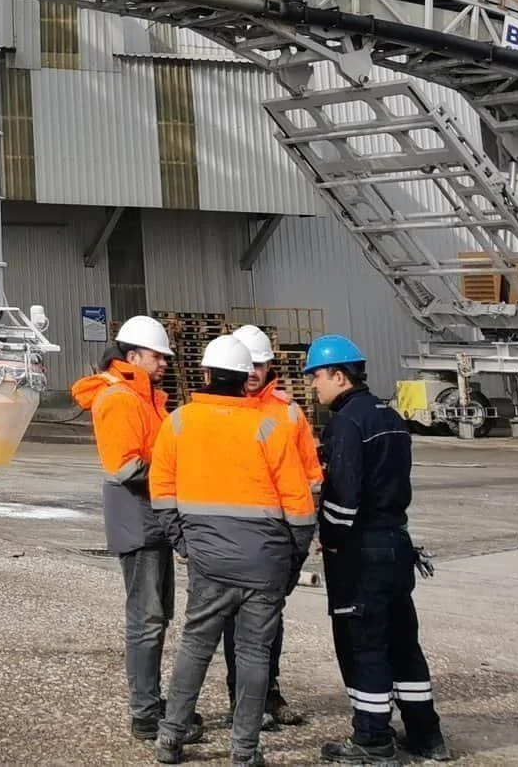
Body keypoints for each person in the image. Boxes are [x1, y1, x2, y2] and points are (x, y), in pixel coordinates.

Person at [149, 334, 317, 766]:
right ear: (247, 381)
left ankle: (170, 739)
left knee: (195, 646)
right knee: (254, 654)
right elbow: (299, 505)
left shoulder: (180, 422)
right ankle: (244, 751)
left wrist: (183, 541)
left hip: (208, 560)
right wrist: (292, 559)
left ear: (204, 375)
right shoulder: (270, 428)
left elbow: (162, 491)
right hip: (265, 562)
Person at [306, 334, 449, 763]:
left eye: (317, 377)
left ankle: (371, 739)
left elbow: (344, 499)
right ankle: (427, 735)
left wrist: (327, 539)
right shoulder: (389, 415)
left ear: (339, 375)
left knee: (364, 643)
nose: (314, 385)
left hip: (361, 551)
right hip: (396, 543)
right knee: (403, 641)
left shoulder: (348, 423)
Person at [70, 314, 183, 742]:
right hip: (139, 517)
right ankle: (145, 714)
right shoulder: (121, 398)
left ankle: (150, 702)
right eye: (158, 356)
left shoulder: (146, 397)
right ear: (133, 356)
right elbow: (127, 468)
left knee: (156, 616)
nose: (164, 363)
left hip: (151, 516)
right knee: (146, 618)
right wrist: (178, 476)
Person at [219, 323, 322, 732]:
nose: (253, 372)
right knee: (232, 620)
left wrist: (305, 529)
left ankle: (268, 692)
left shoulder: (288, 412)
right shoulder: (219, 410)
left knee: (270, 620)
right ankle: (239, 699)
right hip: (232, 533)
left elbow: (310, 474)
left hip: (276, 534)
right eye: (247, 364)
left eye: (260, 364)